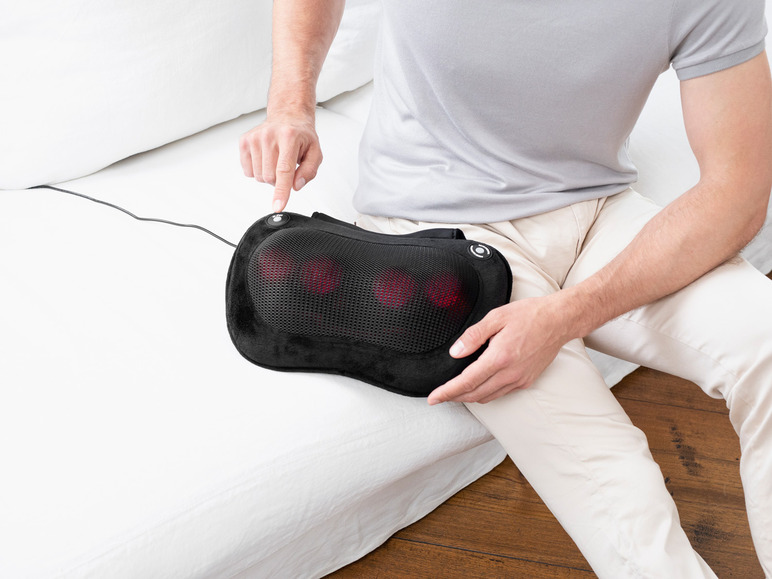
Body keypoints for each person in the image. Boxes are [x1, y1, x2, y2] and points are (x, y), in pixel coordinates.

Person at [239, 1, 772, 576]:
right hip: (440, 237)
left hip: (598, 207)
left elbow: (738, 191)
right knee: (619, 494)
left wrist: (565, 315)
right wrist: (291, 106)